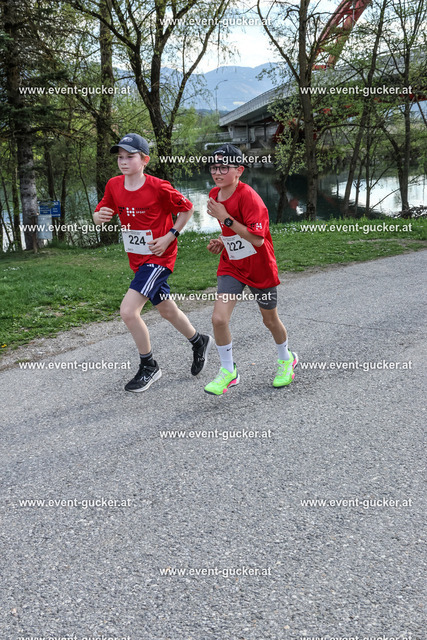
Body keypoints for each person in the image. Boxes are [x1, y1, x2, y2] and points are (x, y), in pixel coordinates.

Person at [93, 133, 212, 392]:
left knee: (128, 311)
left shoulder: (159, 187)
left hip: (159, 258)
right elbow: (101, 211)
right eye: (120, 157)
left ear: (145, 160)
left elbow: (187, 208)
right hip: (137, 260)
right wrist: (98, 217)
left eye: (130, 156)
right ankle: (198, 341)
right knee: (167, 310)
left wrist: (171, 236)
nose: (123, 161)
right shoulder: (114, 185)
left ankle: (149, 366)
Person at [204, 143, 297, 396]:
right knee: (218, 319)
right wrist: (222, 241)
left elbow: (257, 239)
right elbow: (232, 230)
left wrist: (225, 218)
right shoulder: (214, 194)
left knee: (270, 320)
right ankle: (228, 371)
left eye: (224, 167)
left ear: (239, 170)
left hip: (259, 267)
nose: (217, 172)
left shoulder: (249, 197)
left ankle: (286, 359)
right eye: (214, 167)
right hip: (232, 264)